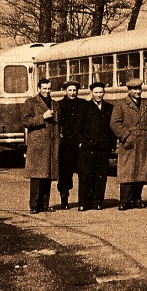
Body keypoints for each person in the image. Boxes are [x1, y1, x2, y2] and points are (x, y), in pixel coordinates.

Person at [110, 78, 147, 210]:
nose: (137, 92)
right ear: (129, 90)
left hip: (144, 141)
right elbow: (115, 123)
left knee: (141, 172)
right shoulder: (121, 105)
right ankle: (124, 200)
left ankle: (137, 198)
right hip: (129, 142)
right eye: (134, 89)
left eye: (139, 89)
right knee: (127, 172)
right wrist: (126, 136)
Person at [77, 81, 116, 211]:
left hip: (103, 147)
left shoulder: (109, 107)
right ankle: (83, 203)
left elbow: (112, 128)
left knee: (101, 175)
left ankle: (97, 202)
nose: (99, 95)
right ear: (91, 93)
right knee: (86, 175)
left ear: (104, 93)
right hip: (88, 147)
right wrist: (82, 142)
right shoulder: (84, 107)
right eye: (96, 92)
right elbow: (79, 127)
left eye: (101, 92)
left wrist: (111, 144)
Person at [22, 79, 59, 214]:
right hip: (37, 145)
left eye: (49, 88)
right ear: (39, 88)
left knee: (47, 175)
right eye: (44, 88)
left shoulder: (55, 104)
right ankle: (33, 205)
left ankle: (44, 204)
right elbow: (26, 121)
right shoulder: (31, 102)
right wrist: (42, 117)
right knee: (37, 176)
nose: (47, 91)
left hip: (51, 143)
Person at [56, 80, 84, 210]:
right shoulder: (59, 105)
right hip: (66, 144)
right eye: (70, 90)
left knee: (83, 172)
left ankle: (83, 200)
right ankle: (64, 198)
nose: (73, 93)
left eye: (75, 90)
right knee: (66, 172)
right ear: (65, 91)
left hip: (80, 143)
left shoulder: (83, 104)